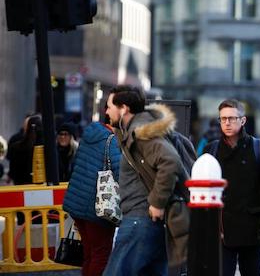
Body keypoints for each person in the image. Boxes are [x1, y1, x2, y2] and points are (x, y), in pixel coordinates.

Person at [103, 85, 186, 275]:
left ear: (123, 108)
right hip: (148, 223)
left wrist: (157, 202)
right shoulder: (132, 130)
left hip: (139, 221)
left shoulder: (141, 132)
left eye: (109, 106)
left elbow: (170, 161)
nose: (106, 112)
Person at [203, 99, 260, 276]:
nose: (227, 123)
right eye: (223, 119)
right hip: (221, 231)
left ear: (243, 120)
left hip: (253, 230)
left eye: (232, 118)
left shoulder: (259, 148)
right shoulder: (210, 150)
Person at [63, 121, 121, 276]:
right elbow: (119, 171)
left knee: (89, 253)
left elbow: (76, 164)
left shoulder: (88, 135)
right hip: (98, 206)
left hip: (77, 202)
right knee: (101, 254)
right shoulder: (112, 140)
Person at [7, 114, 42, 185]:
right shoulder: (47, 146)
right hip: (42, 187)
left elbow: (13, 172)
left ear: (26, 128)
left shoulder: (15, 146)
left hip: (21, 187)